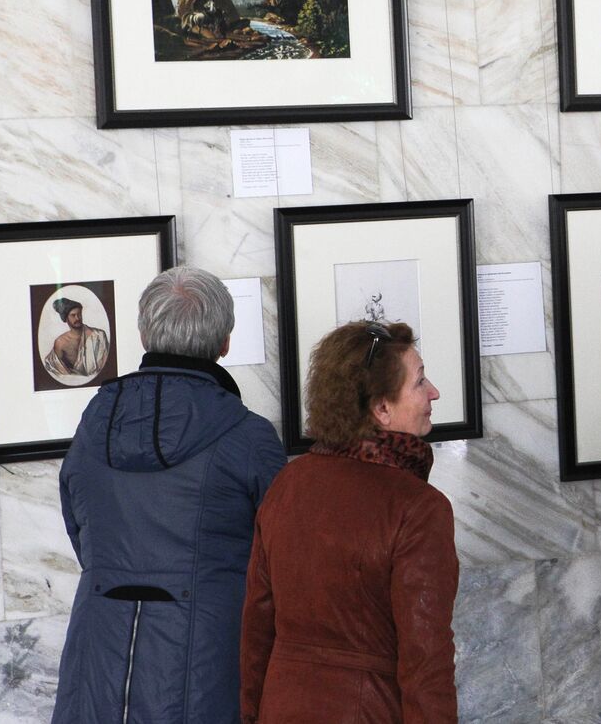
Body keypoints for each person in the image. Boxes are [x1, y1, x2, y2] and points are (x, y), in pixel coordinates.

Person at [53, 266, 286, 724]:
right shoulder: (249, 437)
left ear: (144, 334)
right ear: (225, 342)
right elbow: (283, 561)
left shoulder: (92, 423)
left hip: (97, 656)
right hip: (209, 664)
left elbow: (81, 530)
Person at [240, 321, 458, 723]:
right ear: (381, 409)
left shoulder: (288, 483)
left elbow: (256, 631)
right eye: (420, 382)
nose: (433, 393)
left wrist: (253, 715)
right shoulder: (419, 508)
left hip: (281, 707)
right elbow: (426, 660)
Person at [43, 295, 111, 380]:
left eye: (79, 314)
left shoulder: (98, 336)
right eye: (73, 315)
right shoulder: (60, 342)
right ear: (66, 318)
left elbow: (106, 366)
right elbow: (59, 371)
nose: (78, 318)